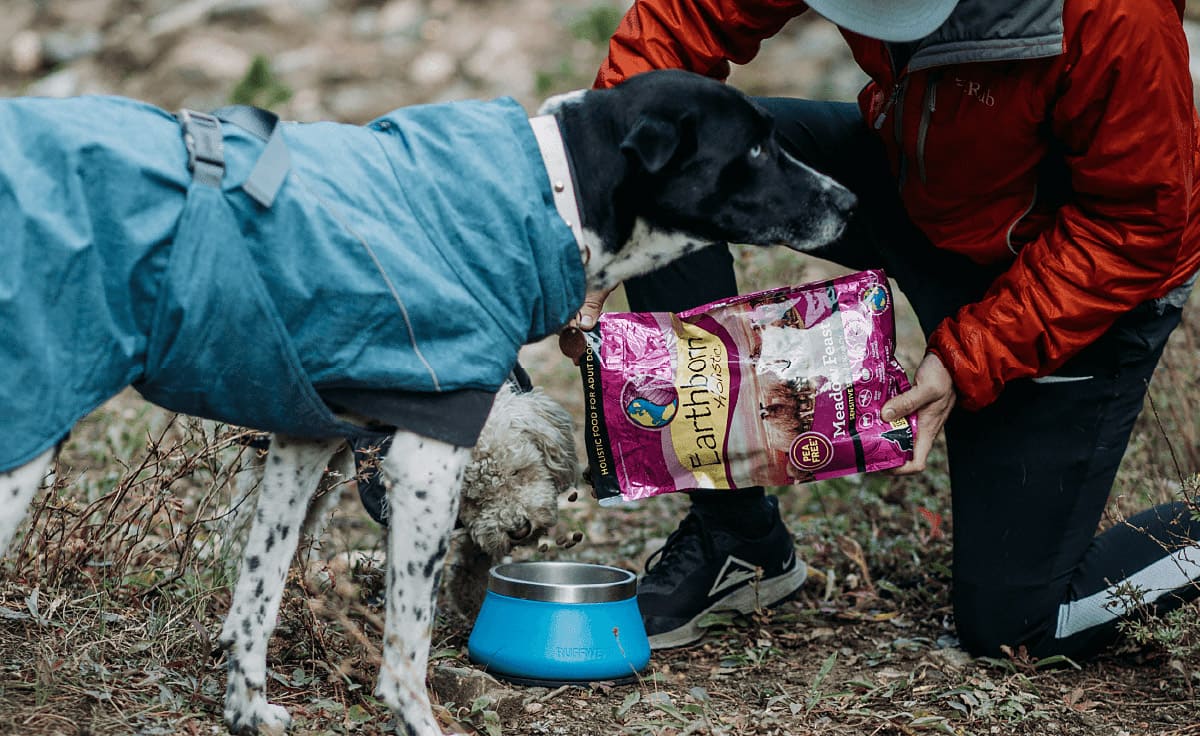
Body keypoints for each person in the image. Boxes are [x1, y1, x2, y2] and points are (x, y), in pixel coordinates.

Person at [564, 0, 1200, 658]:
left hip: (1065, 272)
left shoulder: (1114, 14)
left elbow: (1140, 226)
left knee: (1016, 628)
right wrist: (606, 209)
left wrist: (969, 354)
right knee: (684, 167)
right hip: (920, 182)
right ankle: (739, 540)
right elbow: (683, 19)